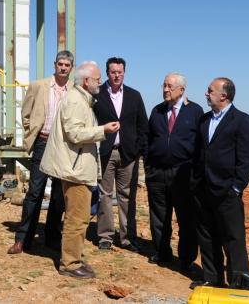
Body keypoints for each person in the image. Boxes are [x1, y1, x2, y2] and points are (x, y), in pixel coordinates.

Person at [40, 61, 119, 279]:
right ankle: (69, 264)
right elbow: (75, 134)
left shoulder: (81, 99)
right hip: (75, 169)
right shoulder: (76, 101)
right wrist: (102, 130)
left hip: (77, 167)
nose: (100, 83)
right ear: (86, 81)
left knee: (80, 216)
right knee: (77, 218)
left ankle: (73, 258)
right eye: (97, 79)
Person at [192, 77, 249, 288]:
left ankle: (239, 284)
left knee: (233, 239)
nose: (206, 93)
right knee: (207, 236)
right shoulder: (204, 120)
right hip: (204, 189)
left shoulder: (242, 120)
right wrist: (195, 182)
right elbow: (198, 153)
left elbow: (247, 158)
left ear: (224, 95)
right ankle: (212, 278)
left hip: (227, 191)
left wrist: (236, 187)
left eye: (210, 90)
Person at [7, 50, 73, 255]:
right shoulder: (38, 86)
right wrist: (32, 132)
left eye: (67, 65)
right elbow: (25, 112)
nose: (63, 67)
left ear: (71, 67)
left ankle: (52, 237)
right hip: (43, 143)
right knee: (35, 192)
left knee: (58, 196)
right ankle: (22, 239)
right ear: (55, 65)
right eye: (60, 64)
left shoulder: (75, 90)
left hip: (64, 146)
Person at [143, 73, 204, 270]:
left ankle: (186, 259)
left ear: (181, 90)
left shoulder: (195, 111)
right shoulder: (157, 110)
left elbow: (201, 145)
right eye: (164, 85)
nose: (165, 89)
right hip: (157, 173)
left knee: (186, 218)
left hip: (183, 174)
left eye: (169, 86)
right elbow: (147, 139)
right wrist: (148, 166)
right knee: (159, 217)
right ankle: (162, 253)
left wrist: (195, 172)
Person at [93, 57, 148, 252]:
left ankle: (127, 238)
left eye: (120, 72)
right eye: (113, 72)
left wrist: (138, 150)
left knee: (126, 196)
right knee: (105, 195)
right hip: (106, 152)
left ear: (124, 72)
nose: (117, 75)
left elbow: (143, 125)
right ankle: (105, 237)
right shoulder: (97, 94)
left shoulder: (134, 95)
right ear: (107, 73)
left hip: (128, 154)